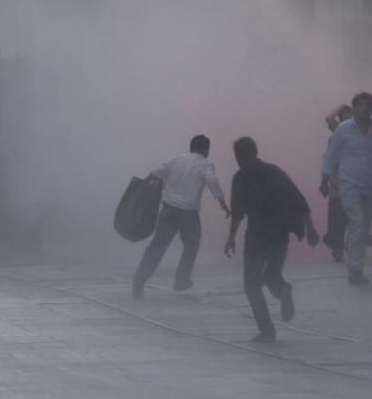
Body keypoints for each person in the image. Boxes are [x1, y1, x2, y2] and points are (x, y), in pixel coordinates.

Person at [225, 137, 319, 342]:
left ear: (239, 156)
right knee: (269, 277)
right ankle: (281, 294)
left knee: (254, 283)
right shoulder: (272, 172)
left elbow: (237, 213)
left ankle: (268, 327)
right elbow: (298, 200)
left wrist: (231, 238)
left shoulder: (241, 178)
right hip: (275, 233)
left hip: (260, 234)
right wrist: (310, 228)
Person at [133, 135, 229, 299]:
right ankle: (181, 280)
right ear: (205, 149)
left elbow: (155, 173)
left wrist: (142, 191)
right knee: (191, 246)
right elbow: (212, 181)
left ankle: (139, 281)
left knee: (157, 247)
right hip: (188, 213)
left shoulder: (175, 160)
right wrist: (222, 202)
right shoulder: (205, 164)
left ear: (191, 147)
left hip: (168, 210)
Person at [321, 92, 372, 285]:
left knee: (363, 227)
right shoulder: (343, 130)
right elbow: (331, 156)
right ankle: (355, 270)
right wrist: (324, 181)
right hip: (349, 184)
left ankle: (356, 266)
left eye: (367, 105)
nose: (364, 109)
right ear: (355, 108)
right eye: (360, 105)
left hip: (371, 184)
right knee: (357, 222)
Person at [322, 105, 353, 263]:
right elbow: (329, 118)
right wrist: (342, 106)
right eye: (344, 116)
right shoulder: (339, 132)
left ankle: (353, 248)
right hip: (337, 184)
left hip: (354, 183)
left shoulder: (359, 131)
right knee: (337, 221)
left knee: (354, 219)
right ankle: (338, 250)